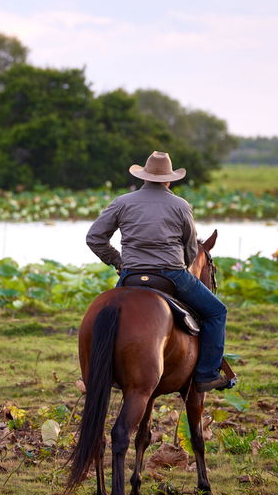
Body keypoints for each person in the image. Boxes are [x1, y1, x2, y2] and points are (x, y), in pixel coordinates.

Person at [85, 151, 233, 392]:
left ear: (144, 176)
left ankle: (94, 375)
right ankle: (206, 374)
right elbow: (190, 248)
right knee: (217, 311)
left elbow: (95, 238)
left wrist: (118, 261)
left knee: (106, 317)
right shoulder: (181, 205)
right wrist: (182, 264)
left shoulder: (122, 202)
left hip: (131, 275)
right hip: (171, 276)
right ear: (169, 179)